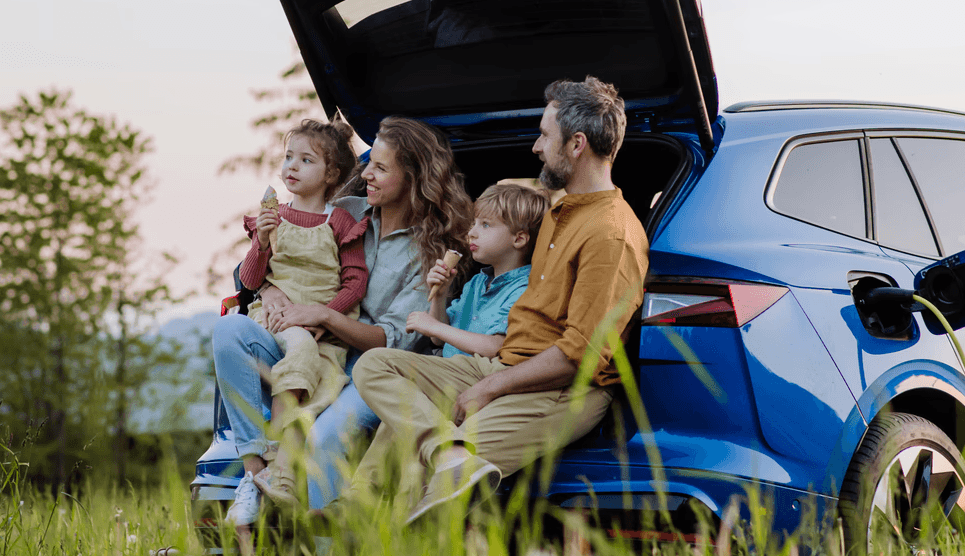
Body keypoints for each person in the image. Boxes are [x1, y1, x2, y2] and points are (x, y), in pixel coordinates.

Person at [346, 76, 650, 523]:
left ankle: (408, 507)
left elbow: (580, 356)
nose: (535, 146)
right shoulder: (563, 213)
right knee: (376, 365)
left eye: (545, 135)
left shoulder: (611, 233)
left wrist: (488, 387)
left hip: (559, 389)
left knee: (437, 489)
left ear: (577, 144)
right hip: (505, 364)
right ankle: (428, 461)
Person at [213, 116, 472, 528]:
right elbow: (272, 267)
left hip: (370, 371)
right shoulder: (346, 211)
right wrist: (269, 291)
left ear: (413, 178)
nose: (365, 172)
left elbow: (394, 341)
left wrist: (323, 315)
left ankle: (323, 552)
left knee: (325, 438)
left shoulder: (430, 252)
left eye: (381, 168)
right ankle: (255, 474)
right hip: (306, 350)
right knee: (229, 330)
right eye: (370, 163)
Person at [237, 119, 367, 508]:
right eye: (288, 156)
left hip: (318, 324)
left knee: (313, 361)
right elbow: (249, 280)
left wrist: (320, 316)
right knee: (301, 350)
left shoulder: (340, 221)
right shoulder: (273, 218)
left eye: (305, 160)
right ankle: (278, 461)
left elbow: (355, 283)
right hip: (276, 321)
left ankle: (285, 471)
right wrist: (261, 242)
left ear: (332, 174)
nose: (291, 166)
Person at [405, 183, 550, 359]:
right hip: (447, 368)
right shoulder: (477, 283)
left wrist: (433, 326)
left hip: (476, 376)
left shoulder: (524, 289)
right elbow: (438, 340)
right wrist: (439, 296)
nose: (472, 232)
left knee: (376, 361)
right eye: (474, 224)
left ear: (519, 239)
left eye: (486, 225)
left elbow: (495, 347)